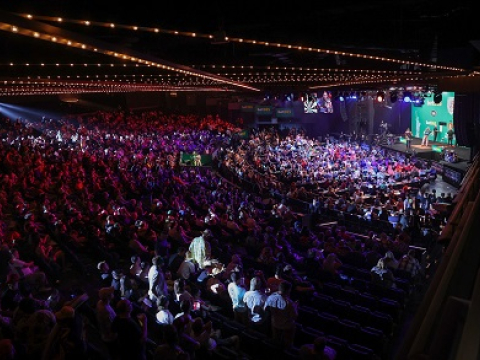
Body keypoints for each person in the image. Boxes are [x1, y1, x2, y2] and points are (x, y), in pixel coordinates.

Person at [264, 281, 298, 350]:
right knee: (287, 344)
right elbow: (294, 317)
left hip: (275, 323)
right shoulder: (290, 303)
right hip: (287, 326)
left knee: (275, 341)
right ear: (288, 291)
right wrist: (296, 306)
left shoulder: (271, 297)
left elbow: (265, 308)